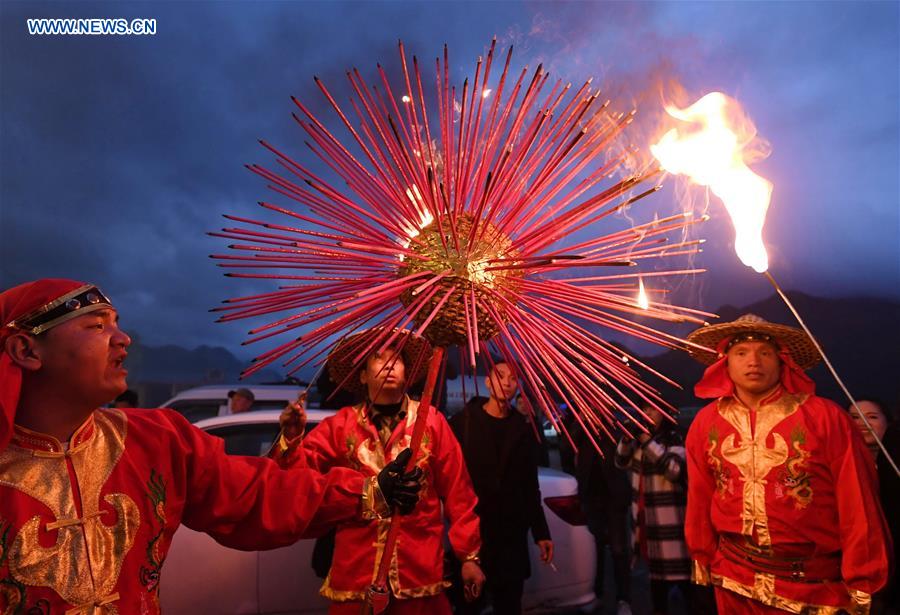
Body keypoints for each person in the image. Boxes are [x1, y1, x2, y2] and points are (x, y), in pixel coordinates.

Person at [0, 278, 422, 614]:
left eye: (116, 323)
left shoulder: (156, 439)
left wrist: (367, 492)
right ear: (26, 349)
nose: (123, 338)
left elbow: (255, 492)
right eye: (96, 326)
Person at [684, 313, 891, 614]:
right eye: (741, 353)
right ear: (724, 362)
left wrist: (863, 580)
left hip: (814, 585)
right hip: (733, 579)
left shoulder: (826, 418)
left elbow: (857, 502)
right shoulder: (706, 422)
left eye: (765, 352)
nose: (753, 361)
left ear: (782, 361)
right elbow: (700, 496)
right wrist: (702, 557)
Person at [274, 330, 484, 614]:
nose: (388, 365)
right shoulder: (341, 426)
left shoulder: (431, 422)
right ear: (362, 375)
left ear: (408, 373)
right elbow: (297, 480)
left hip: (419, 571)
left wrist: (468, 556)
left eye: (397, 359)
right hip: (356, 571)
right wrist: (290, 438)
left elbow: (459, 491)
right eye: (378, 358)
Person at [448, 360, 553, 615]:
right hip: (474, 534)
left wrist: (541, 532)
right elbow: (450, 479)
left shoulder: (523, 429)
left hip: (510, 537)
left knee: (509, 605)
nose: (506, 383)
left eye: (513, 378)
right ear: (487, 381)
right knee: (468, 606)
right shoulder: (464, 423)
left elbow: (530, 486)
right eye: (500, 375)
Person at [615, 405, 692, 615]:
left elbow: (673, 471)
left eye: (653, 410)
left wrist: (646, 440)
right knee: (656, 588)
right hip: (646, 524)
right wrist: (625, 438)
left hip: (671, 527)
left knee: (685, 586)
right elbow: (620, 462)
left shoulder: (674, 438)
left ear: (664, 413)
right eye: (643, 411)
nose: (647, 415)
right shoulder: (639, 441)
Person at [575, 423, 633, 615]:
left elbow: (623, 453)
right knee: (594, 548)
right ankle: (595, 593)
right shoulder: (580, 424)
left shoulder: (614, 424)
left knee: (619, 550)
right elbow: (566, 446)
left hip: (614, 494)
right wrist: (581, 421)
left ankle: (624, 599)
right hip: (591, 495)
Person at [848, 398, 899, 615]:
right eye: (854, 418)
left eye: (872, 417)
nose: (862, 423)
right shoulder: (842, 468)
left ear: (888, 423)